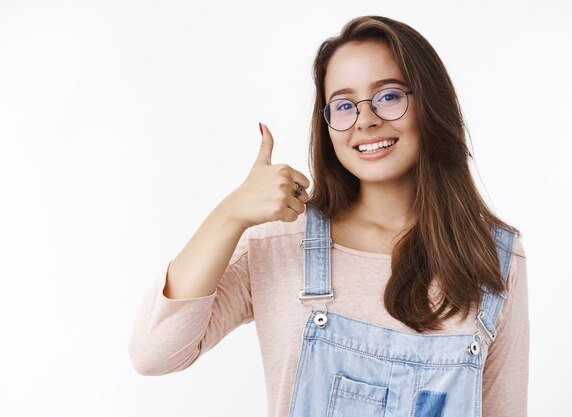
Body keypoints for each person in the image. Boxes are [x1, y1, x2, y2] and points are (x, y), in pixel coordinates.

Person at [128, 15, 529, 417]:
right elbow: (154, 354)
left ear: (429, 104)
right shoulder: (280, 242)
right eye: (343, 105)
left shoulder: (491, 258)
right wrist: (229, 215)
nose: (366, 119)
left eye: (389, 96)